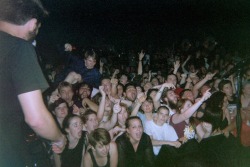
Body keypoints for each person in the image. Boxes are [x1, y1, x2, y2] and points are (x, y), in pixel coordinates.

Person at [0, 0, 66, 166]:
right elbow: (36, 118)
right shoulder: (20, 48)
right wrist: (60, 137)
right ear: (33, 23)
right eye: (38, 27)